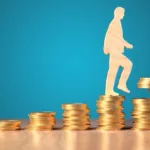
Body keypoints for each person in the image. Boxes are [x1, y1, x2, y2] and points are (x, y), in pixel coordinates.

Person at [104, 7, 133, 96]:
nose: (123, 15)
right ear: (118, 13)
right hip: (115, 51)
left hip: (114, 51)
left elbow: (109, 36)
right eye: (122, 13)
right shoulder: (115, 23)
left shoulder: (116, 23)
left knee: (113, 71)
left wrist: (106, 48)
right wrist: (126, 44)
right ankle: (121, 84)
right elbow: (117, 37)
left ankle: (109, 91)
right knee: (128, 65)